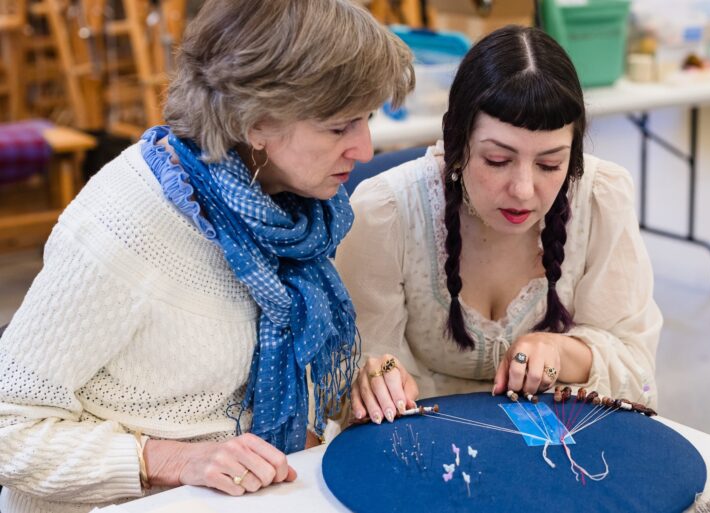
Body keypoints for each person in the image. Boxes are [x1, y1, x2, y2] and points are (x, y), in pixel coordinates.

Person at [0, 1, 413, 511]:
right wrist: (173, 459)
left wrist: (361, 377)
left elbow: (259, 363)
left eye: (367, 120)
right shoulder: (127, 225)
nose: (366, 149)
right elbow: (9, 426)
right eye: (339, 127)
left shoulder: (289, 209)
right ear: (255, 121)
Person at [335, 25, 662, 427]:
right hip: (429, 444)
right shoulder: (386, 212)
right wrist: (375, 379)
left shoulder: (600, 198)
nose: (523, 190)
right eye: (497, 160)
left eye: (549, 165)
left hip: (553, 450)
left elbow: (637, 371)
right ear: (456, 143)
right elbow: (352, 371)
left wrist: (561, 352)